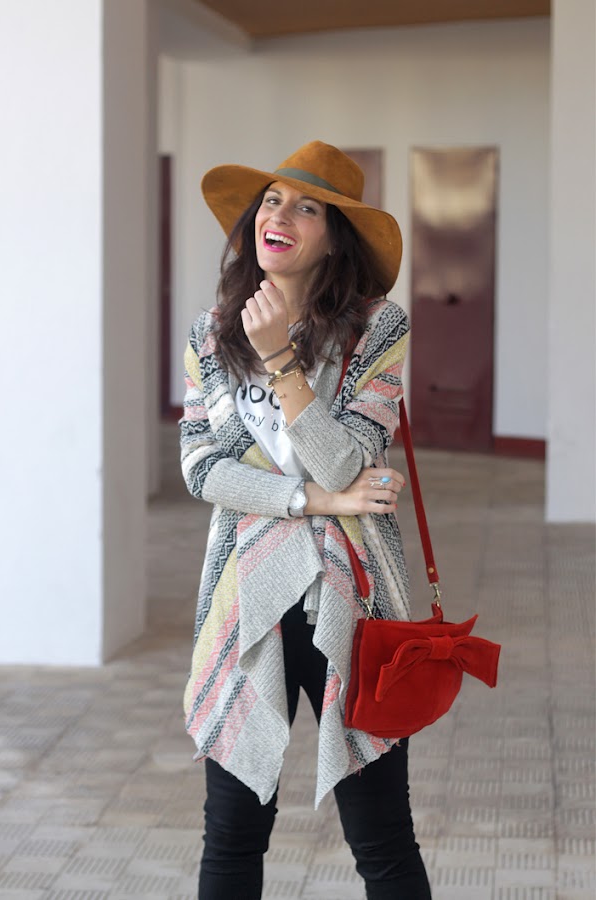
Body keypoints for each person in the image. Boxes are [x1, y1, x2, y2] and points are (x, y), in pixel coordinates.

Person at [179, 141, 431, 900]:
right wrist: (316, 504)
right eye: (271, 200)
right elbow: (200, 469)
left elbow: (347, 461)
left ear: (333, 235)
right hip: (242, 593)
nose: (277, 214)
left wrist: (280, 360)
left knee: (380, 835)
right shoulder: (212, 332)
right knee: (230, 831)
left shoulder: (374, 328)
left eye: (306, 205)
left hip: (349, 598)